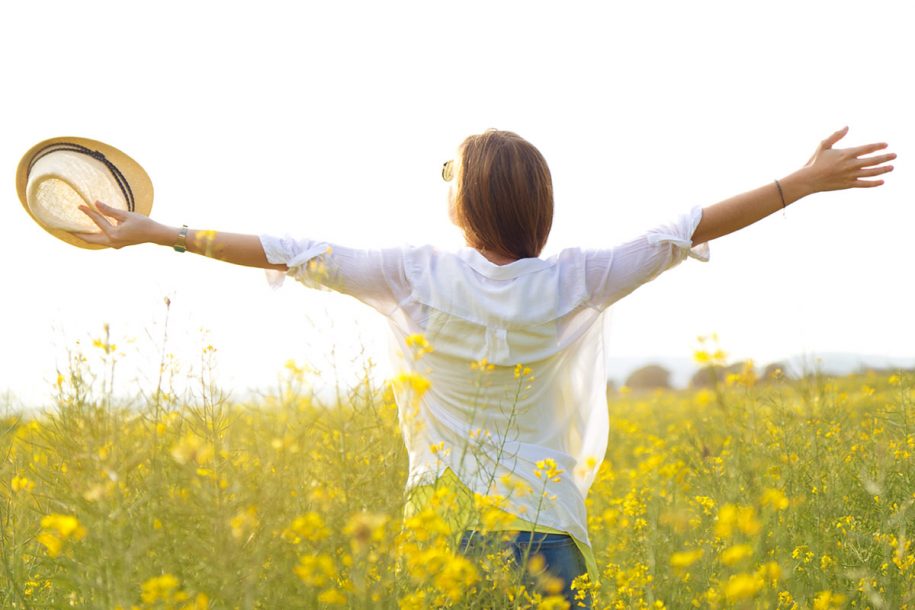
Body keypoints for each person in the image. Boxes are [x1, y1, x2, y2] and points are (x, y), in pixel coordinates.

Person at [72, 127, 895, 608]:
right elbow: (684, 227)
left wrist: (159, 231)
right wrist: (805, 181)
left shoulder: (410, 276)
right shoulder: (578, 278)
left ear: (463, 208)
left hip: (441, 531)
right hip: (546, 528)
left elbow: (284, 251)